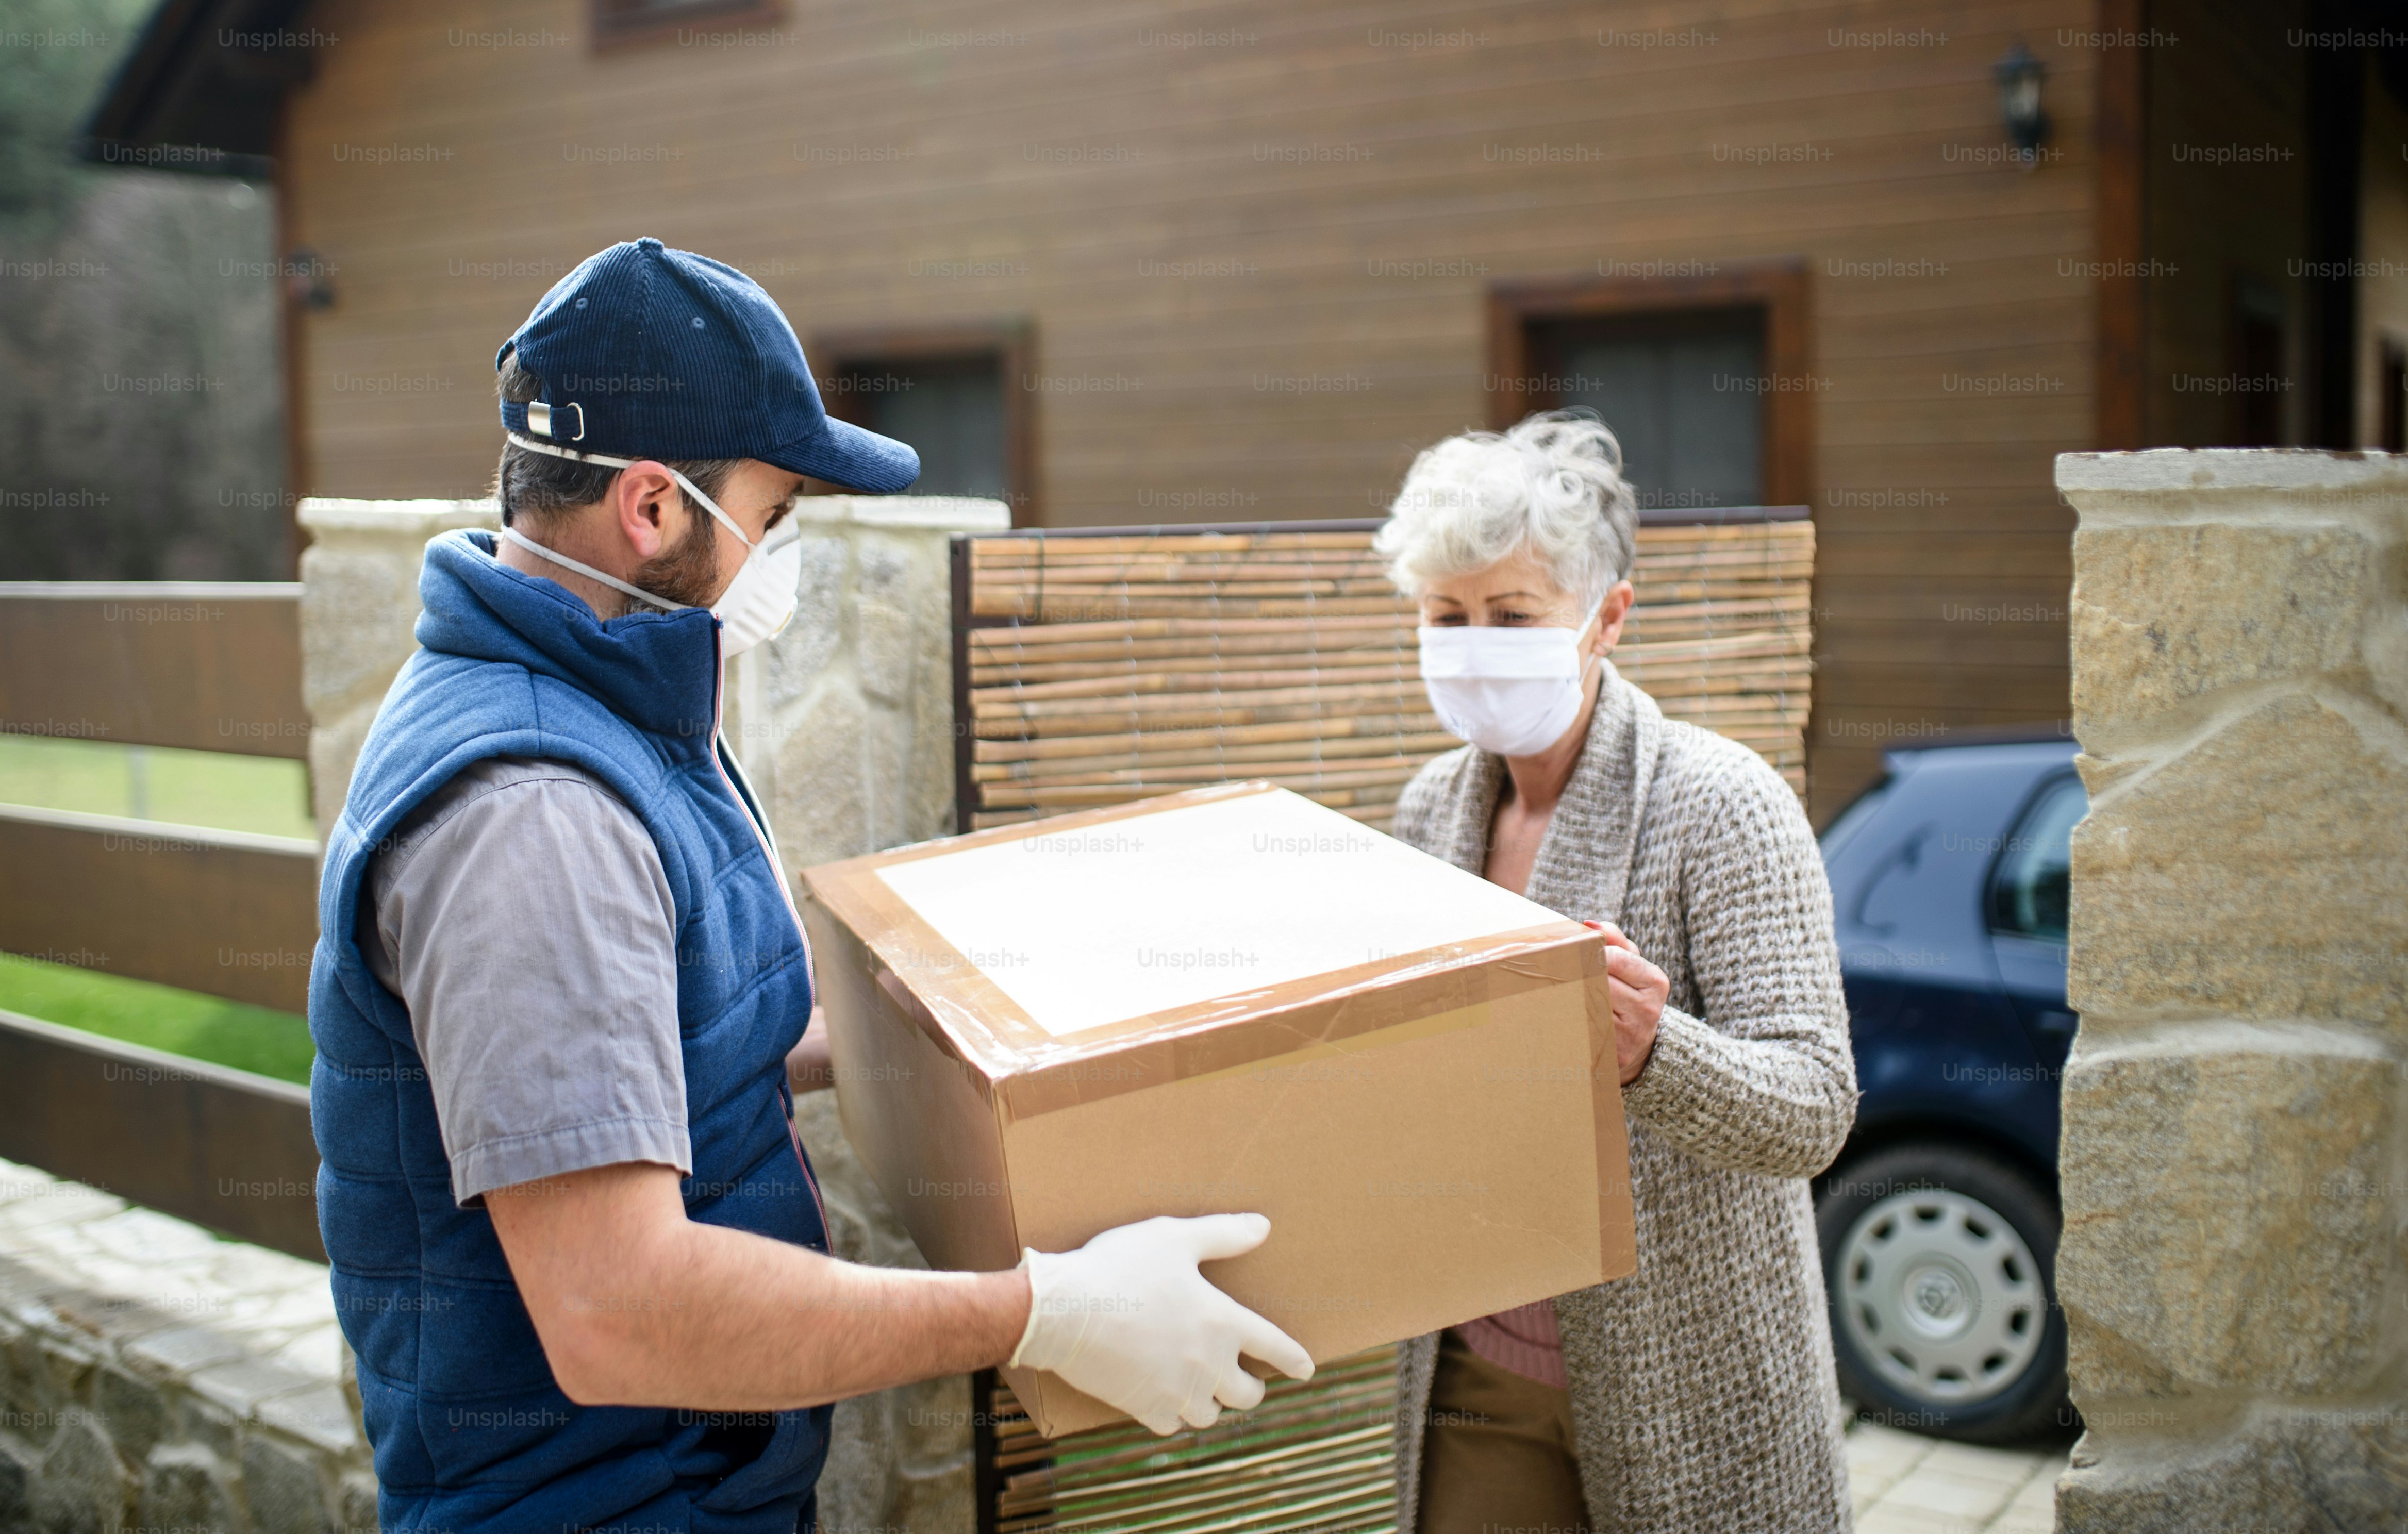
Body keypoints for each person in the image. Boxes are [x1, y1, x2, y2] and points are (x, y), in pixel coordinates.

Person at [307, 238, 1311, 1534]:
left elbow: (653, 1054)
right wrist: (1050, 1310)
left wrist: (973, 1008)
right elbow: (620, 1309)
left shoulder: (607, 706)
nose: (782, 555)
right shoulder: (535, 819)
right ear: (654, 508)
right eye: (773, 517)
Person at [1378, 412, 1856, 1534]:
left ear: (1606, 619)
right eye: (1446, 617)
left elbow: (1817, 1108)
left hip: (1689, 1383)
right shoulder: (1426, 812)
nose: (1473, 643)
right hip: (1475, 1370)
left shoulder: (1721, 805)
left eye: (1512, 614)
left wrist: (1657, 1051)